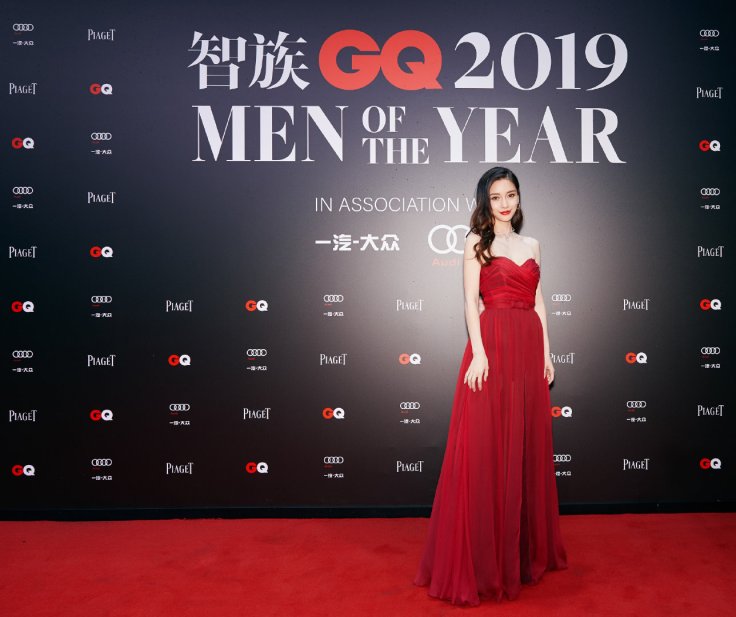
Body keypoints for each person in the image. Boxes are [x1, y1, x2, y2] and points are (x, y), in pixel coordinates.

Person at [413, 166, 568, 606]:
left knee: (524, 447)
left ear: (519, 198)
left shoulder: (533, 245)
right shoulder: (476, 243)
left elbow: (539, 302)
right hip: (492, 346)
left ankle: (520, 555)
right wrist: (479, 353)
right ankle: (485, 558)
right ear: (486, 201)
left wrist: (547, 353)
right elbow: (469, 301)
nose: (504, 203)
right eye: (496, 196)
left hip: (528, 348)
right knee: (486, 448)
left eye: (511, 194)